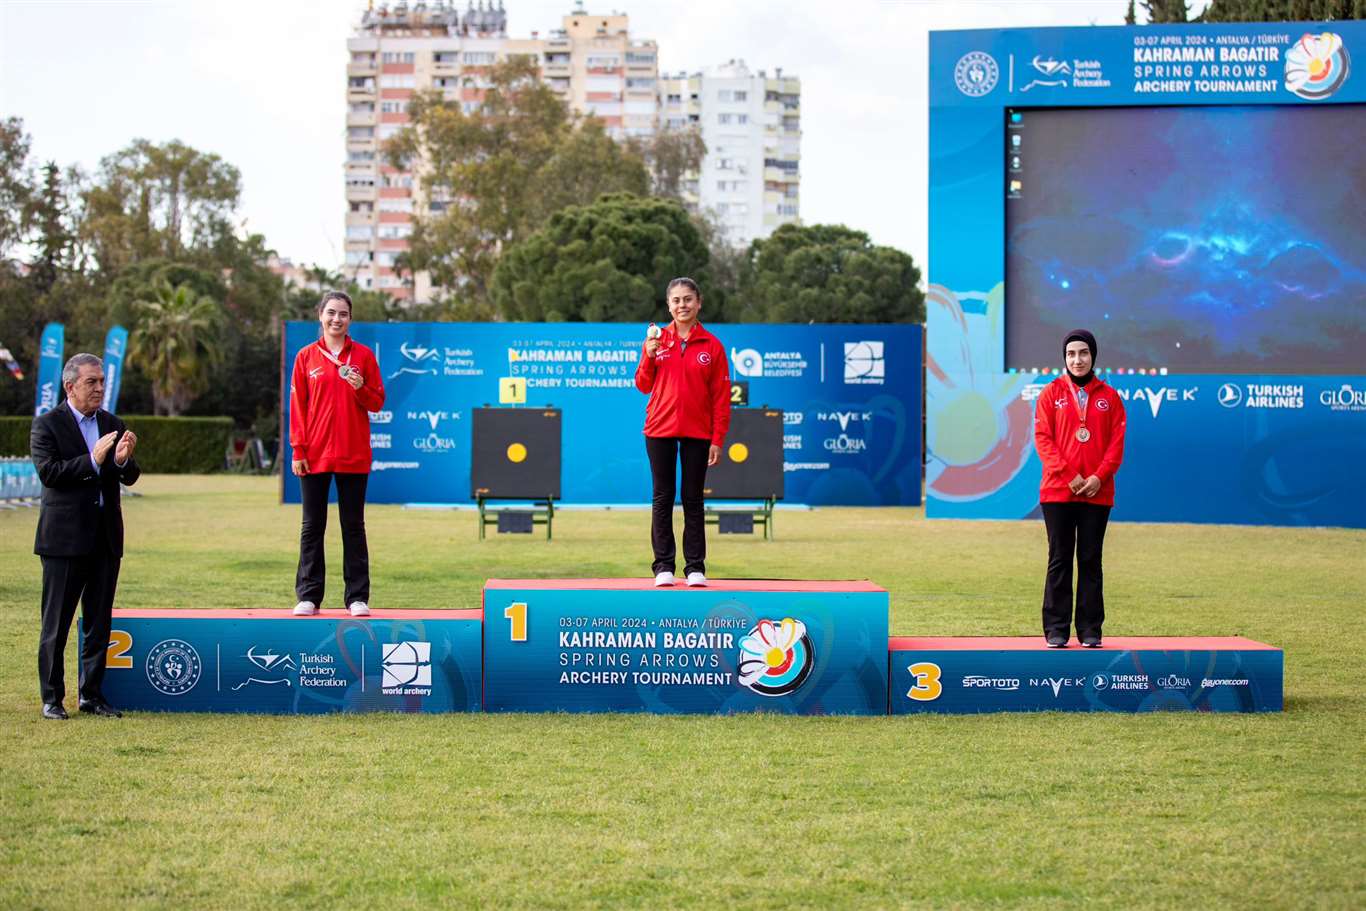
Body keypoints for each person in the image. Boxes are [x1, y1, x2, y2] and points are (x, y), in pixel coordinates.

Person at [31, 353, 140, 719]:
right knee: (57, 624)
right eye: (91, 382)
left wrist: (122, 460)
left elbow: (128, 475)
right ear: (70, 385)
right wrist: (92, 460)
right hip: (64, 540)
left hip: (105, 539)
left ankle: (91, 695)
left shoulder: (111, 422)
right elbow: (50, 473)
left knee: (98, 622)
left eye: (101, 382)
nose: (99, 388)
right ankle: (51, 698)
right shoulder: (46, 425)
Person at [289, 290, 385, 617]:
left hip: (353, 453)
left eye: (343, 314)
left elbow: (377, 402)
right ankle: (309, 596)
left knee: (353, 526)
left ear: (350, 319)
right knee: (312, 525)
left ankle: (357, 597)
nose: (336, 319)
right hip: (314, 454)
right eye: (331, 313)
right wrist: (298, 449)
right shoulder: (305, 357)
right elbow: (298, 408)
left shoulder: (364, 357)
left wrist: (360, 387)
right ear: (320, 315)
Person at [634, 277, 732, 587]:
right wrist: (649, 356)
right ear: (668, 305)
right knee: (662, 497)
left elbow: (720, 397)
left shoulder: (712, 345)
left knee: (693, 499)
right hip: (659, 428)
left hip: (698, 432)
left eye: (688, 299)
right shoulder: (656, 340)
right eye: (676, 300)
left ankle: (694, 568)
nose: (682, 305)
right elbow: (642, 385)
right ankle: (663, 566)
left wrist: (718, 439)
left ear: (699, 302)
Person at [1033, 329, 1126, 648]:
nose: (1077, 359)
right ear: (1065, 358)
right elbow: (1043, 439)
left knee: (1090, 559)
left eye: (1083, 353)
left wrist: (1099, 477)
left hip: (1096, 493)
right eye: (1071, 354)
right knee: (1059, 558)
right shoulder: (1051, 393)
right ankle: (1056, 629)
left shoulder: (1110, 398)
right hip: (1058, 492)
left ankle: (1089, 630)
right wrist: (1067, 474)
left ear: (1093, 356)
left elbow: (1116, 445)